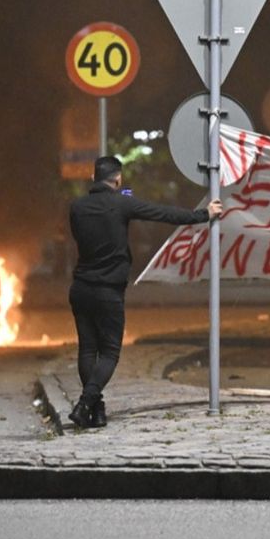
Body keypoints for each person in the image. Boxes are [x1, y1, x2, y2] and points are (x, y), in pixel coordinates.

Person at [67, 156, 222, 429]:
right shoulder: (123, 203)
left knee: (88, 349)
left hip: (80, 288)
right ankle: (83, 405)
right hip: (108, 289)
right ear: (118, 179)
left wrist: (120, 201)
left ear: (94, 178)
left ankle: (96, 409)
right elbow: (163, 213)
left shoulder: (77, 207)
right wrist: (203, 214)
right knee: (111, 352)